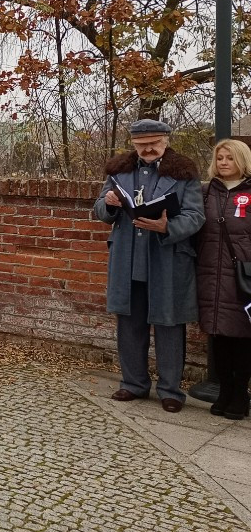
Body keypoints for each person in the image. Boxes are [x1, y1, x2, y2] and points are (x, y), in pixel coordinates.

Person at [93, 119, 204, 413]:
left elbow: (195, 216)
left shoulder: (184, 173)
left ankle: (170, 390)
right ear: (133, 144)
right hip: (128, 258)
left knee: (169, 324)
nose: (148, 149)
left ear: (166, 141)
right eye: (142, 145)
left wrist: (166, 226)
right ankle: (133, 383)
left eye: (154, 143)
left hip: (166, 259)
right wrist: (110, 203)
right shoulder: (119, 170)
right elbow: (100, 210)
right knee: (129, 323)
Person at [195, 139, 251, 420]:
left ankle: (240, 393)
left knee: (242, 335)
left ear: (242, 160)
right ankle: (225, 390)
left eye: (229, 158)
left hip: (242, 277)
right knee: (218, 333)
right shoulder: (205, 192)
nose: (224, 163)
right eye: (220, 158)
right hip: (210, 273)